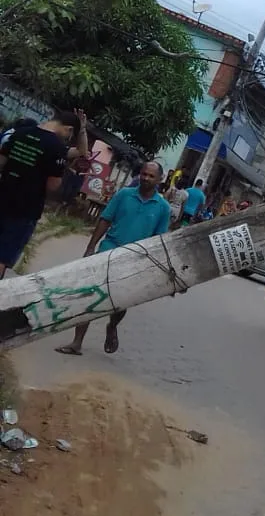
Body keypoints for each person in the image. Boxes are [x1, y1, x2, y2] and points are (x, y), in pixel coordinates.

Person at [55, 160, 170, 357]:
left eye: (151, 176)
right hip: (108, 250)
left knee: (121, 302)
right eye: (144, 174)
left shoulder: (163, 208)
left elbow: (157, 241)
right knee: (91, 296)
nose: (146, 178)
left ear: (160, 179)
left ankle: (112, 325)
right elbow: (105, 219)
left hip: (135, 260)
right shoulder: (124, 195)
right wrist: (91, 247)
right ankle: (77, 342)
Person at [0, 109, 86, 278]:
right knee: (3, 256)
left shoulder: (20, 133)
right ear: (68, 129)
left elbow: (1, 163)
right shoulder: (57, 147)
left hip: (2, 198)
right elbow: (53, 186)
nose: (68, 139)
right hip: (25, 210)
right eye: (70, 135)